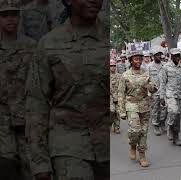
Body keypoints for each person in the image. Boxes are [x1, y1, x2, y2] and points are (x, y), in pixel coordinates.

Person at [25, 0, 111, 179]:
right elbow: (36, 103)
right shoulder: (49, 44)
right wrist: (40, 162)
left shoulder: (111, 36)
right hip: (68, 145)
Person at [0, 0, 36, 179]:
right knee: (6, 165)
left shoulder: (32, 46)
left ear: (19, 17)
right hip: (2, 118)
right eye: (4, 15)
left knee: (30, 165)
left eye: (13, 15)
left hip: (27, 116)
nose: (10, 19)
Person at [118, 50, 157, 168]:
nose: (138, 61)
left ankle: (142, 155)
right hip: (131, 105)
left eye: (140, 59)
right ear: (131, 60)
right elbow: (121, 93)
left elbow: (154, 89)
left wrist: (150, 86)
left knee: (144, 132)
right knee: (135, 130)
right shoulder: (125, 75)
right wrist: (122, 110)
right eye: (136, 59)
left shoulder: (146, 73)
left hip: (144, 105)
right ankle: (132, 145)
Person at [160, 48, 181, 146]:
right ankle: (170, 127)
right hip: (170, 95)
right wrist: (162, 97)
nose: (177, 57)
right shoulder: (165, 67)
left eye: (178, 55)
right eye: (175, 55)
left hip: (180, 95)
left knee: (178, 117)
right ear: (171, 56)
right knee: (173, 112)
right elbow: (162, 83)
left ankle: (176, 136)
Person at [148, 48, 165, 136]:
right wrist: (149, 91)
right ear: (153, 56)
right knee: (155, 108)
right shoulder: (149, 66)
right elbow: (147, 79)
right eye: (157, 55)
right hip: (154, 91)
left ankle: (162, 122)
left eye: (160, 54)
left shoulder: (164, 65)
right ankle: (155, 124)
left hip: (163, 91)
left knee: (164, 108)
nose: (159, 56)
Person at [110, 59, 121, 134]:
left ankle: (117, 127)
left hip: (118, 96)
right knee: (111, 111)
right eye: (111, 66)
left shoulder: (119, 76)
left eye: (114, 66)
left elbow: (122, 87)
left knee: (118, 112)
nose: (113, 67)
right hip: (110, 97)